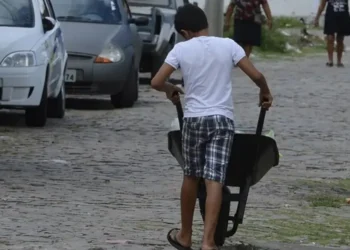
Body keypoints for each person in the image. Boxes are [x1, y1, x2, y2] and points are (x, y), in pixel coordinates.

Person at [151, 4, 273, 250]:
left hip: (194, 120)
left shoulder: (181, 49)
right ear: (204, 24)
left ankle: (185, 235)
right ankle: (208, 243)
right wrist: (265, 92)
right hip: (221, 120)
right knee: (214, 179)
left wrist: (170, 90)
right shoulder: (228, 45)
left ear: (184, 31)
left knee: (190, 176)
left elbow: (156, 81)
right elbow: (257, 76)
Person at [314, 0, 350, 67]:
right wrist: (317, 18)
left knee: (340, 39)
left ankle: (339, 61)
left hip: (343, 17)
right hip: (331, 16)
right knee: (330, 38)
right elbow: (322, 5)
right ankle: (330, 60)